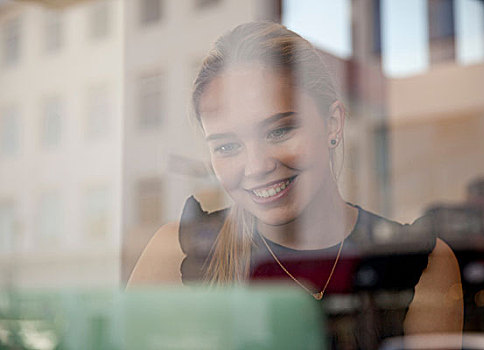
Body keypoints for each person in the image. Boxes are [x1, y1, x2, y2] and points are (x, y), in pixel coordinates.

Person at [128, 21, 463, 348]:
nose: (257, 166)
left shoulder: (422, 262)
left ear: (332, 124)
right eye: (227, 146)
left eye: (279, 131)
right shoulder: (177, 252)